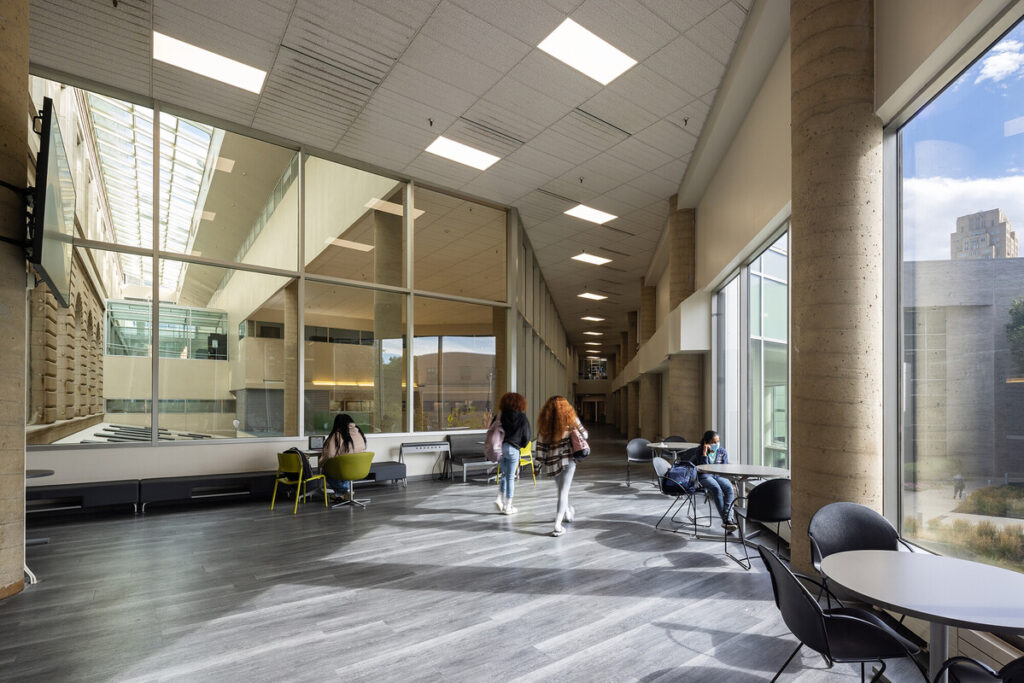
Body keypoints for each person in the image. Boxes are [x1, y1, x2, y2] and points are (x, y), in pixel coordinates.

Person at [535, 396, 587, 536]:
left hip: (552, 463)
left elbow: (540, 446)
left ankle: (568, 512)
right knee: (563, 492)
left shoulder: (545, 425)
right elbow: (585, 435)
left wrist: (537, 465)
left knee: (562, 490)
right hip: (567, 460)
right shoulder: (571, 421)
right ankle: (558, 525)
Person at [495, 392, 531, 515]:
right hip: (513, 449)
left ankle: (500, 498)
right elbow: (527, 436)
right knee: (510, 476)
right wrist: (522, 445)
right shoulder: (522, 417)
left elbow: (492, 429)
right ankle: (508, 506)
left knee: (505, 474)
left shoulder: (499, 416)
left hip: (500, 449)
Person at [694, 430, 737, 531]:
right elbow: (703, 468)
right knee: (716, 489)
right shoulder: (699, 451)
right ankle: (727, 521)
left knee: (729, 488)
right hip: (705, 476)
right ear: (707, 442)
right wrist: (705, 453)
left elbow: (725, 467)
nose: (716, 444)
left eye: (717, 441)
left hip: (719, 475)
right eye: (713, 442)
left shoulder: (722, 451)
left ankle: (728, 518)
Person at [321, 414, 367, 502]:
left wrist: (322, 462)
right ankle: (340, 495)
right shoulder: (359, 432)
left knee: (326, 470)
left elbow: (330, 454)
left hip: (345, 468)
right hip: (358, 468)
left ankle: (346, 491)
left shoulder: (337, 435)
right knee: (343, 467)